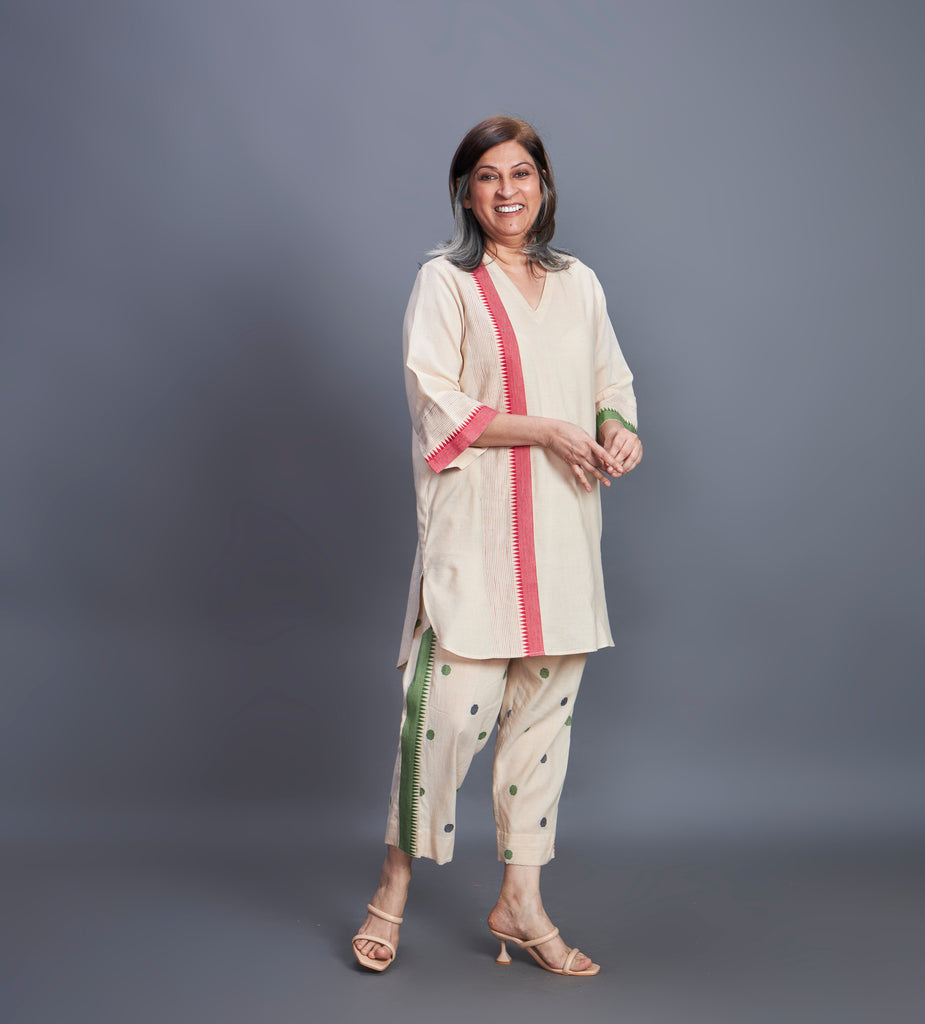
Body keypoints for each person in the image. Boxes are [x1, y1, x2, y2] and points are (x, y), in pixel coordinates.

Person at [352, 115, 641, 977]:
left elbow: (611, 379)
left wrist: (617, 428)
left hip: (563, 533)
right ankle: (392, 888)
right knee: (444, 721)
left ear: (543, 185)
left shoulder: (579, 282)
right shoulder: (445, 283)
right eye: (488, 176)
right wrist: (545, 429)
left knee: (542, 730)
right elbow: (434, 401)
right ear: (465, 192)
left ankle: (522, 901)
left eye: (521, 173)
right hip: (477, 535)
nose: (507, 190)